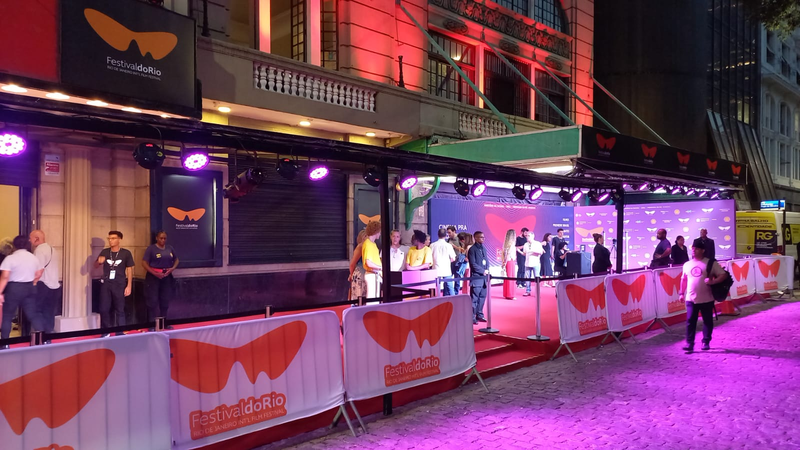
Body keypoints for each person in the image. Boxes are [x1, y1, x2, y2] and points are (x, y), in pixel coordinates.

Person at [679, 238, 726, 353]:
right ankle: (689, 343)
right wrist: (681, 293)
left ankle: (706, 341)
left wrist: (713, 282)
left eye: (697, 249)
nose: (694, 250)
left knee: (707, 321)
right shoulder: (687, 264)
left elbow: (723, 275)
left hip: (707, 298)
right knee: (690, 321)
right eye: (693, 248)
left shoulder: (710, 263)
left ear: (703, 250)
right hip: (691, 298)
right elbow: (683, 280)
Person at [0, 236, 46, 341]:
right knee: (33, 315)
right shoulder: (33, 258)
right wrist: (34, 282)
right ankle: (42, 339)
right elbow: (39, 272)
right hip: (30, 288)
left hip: (14, 288)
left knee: (7, 316)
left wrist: (0, 292)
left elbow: (5, 277)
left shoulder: (10, 258)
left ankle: (5, 343)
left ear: (14, 245)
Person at [94, 231, 134, 334]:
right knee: (104, 309)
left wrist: (129, 286)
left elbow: (130, 269)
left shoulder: (126, 253)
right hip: (106, 283)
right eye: (109, 238)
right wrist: (99, 261)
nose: (110, 240)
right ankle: (106, 331)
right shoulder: (105, 252)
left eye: (113, 238)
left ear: (119, 239)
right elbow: (95, 265)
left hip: (119, 284)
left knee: (119, 309)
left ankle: (120, 331)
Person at [142, 231, 179, 324]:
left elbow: (176, 260)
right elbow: (144, 263)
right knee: (152, 301)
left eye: (164, 238)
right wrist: (154, 273)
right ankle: (151, 324)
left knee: (165, 300)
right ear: (157, 238)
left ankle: (164, 323)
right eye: (161, 238)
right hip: (153, 277)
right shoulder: (151, 249)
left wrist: (172, 268)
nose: (163, 240)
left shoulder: (170, 248)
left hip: (166, 277)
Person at [29, 230, 61, 333]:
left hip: (43, 285)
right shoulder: (52, 249)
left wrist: (33, 284)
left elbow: (39, 270)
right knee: (49, 312)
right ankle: (48, 335)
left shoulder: (39, 250)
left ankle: (40, 334)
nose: (29, 241)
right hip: (54, 285)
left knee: (37, 311)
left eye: (31, 238)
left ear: (36, 239)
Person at [468, 231, 489, 324]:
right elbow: (473, 264)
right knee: (474, 298)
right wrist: (483, 271)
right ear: (475, 238)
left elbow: (486, 261)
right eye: (481, 237)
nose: (483, 239)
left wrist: (487, 270)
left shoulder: (484, 248)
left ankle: (479, 314)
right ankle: (472, 317)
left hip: (484, 278)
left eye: (483, 237)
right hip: (476, 278)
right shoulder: (472, 249)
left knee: (482, 297)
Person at [431, 228, 457, 295]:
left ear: (438, 235)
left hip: (436, 268)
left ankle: (437, 300)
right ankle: (454, 300)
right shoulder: (448, 245)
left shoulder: (432, 245)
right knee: (450, 287)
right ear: (446, 235)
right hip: (446, 269)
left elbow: (430, 257)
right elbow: (453, 258)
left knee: (436, 287)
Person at [361, 221, 382, 298]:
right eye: (379, 231)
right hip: (371, 274)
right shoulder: (368, 243)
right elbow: (368, 262)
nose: (380, 234)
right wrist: (380, 267)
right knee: (372, 299)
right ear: (376, 231)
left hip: (375, 274)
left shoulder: (372, 244)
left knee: (375, 298)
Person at [349, 230, 368, 300]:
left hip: (366, 274)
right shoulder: (360, 247)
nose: (366, 238)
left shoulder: (368, 246)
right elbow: (352, 264)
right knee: (359, 297)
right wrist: (351, 275)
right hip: (360, 275)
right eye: (365, 236)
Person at [523, 232, 544, 296]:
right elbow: (524, 253)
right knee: (527, 278)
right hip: (527, 263)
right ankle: (528, 291)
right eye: (526, 236)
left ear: (533, 236)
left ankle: (537, 292)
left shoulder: (537, 243)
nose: (527, 237)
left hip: (535, 263)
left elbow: (541, 252)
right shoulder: (525, 244)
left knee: (537, 278)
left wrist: (533, 252)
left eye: (529, 236)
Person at [447, 226, 466, 292]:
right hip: (451, 261)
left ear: (454, 231)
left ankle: (456, 293)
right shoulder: (449, 240)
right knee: (449, 276)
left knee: (457, 278)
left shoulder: (459, 238)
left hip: (459, 261)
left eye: (449, 232)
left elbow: (463, 250)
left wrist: (453, 246)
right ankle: (449, 292)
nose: (448, 234)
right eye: (447, 233)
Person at [501, 229, 517, 299]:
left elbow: (503, 254)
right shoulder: (512, 243)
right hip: (510, 262)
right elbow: (509, 254)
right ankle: (510, 294)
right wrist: (506, 261)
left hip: (507, 262)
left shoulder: (505, 244)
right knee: (511, 277)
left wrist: (503, 262)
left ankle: (506, 293)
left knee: (507, 278)